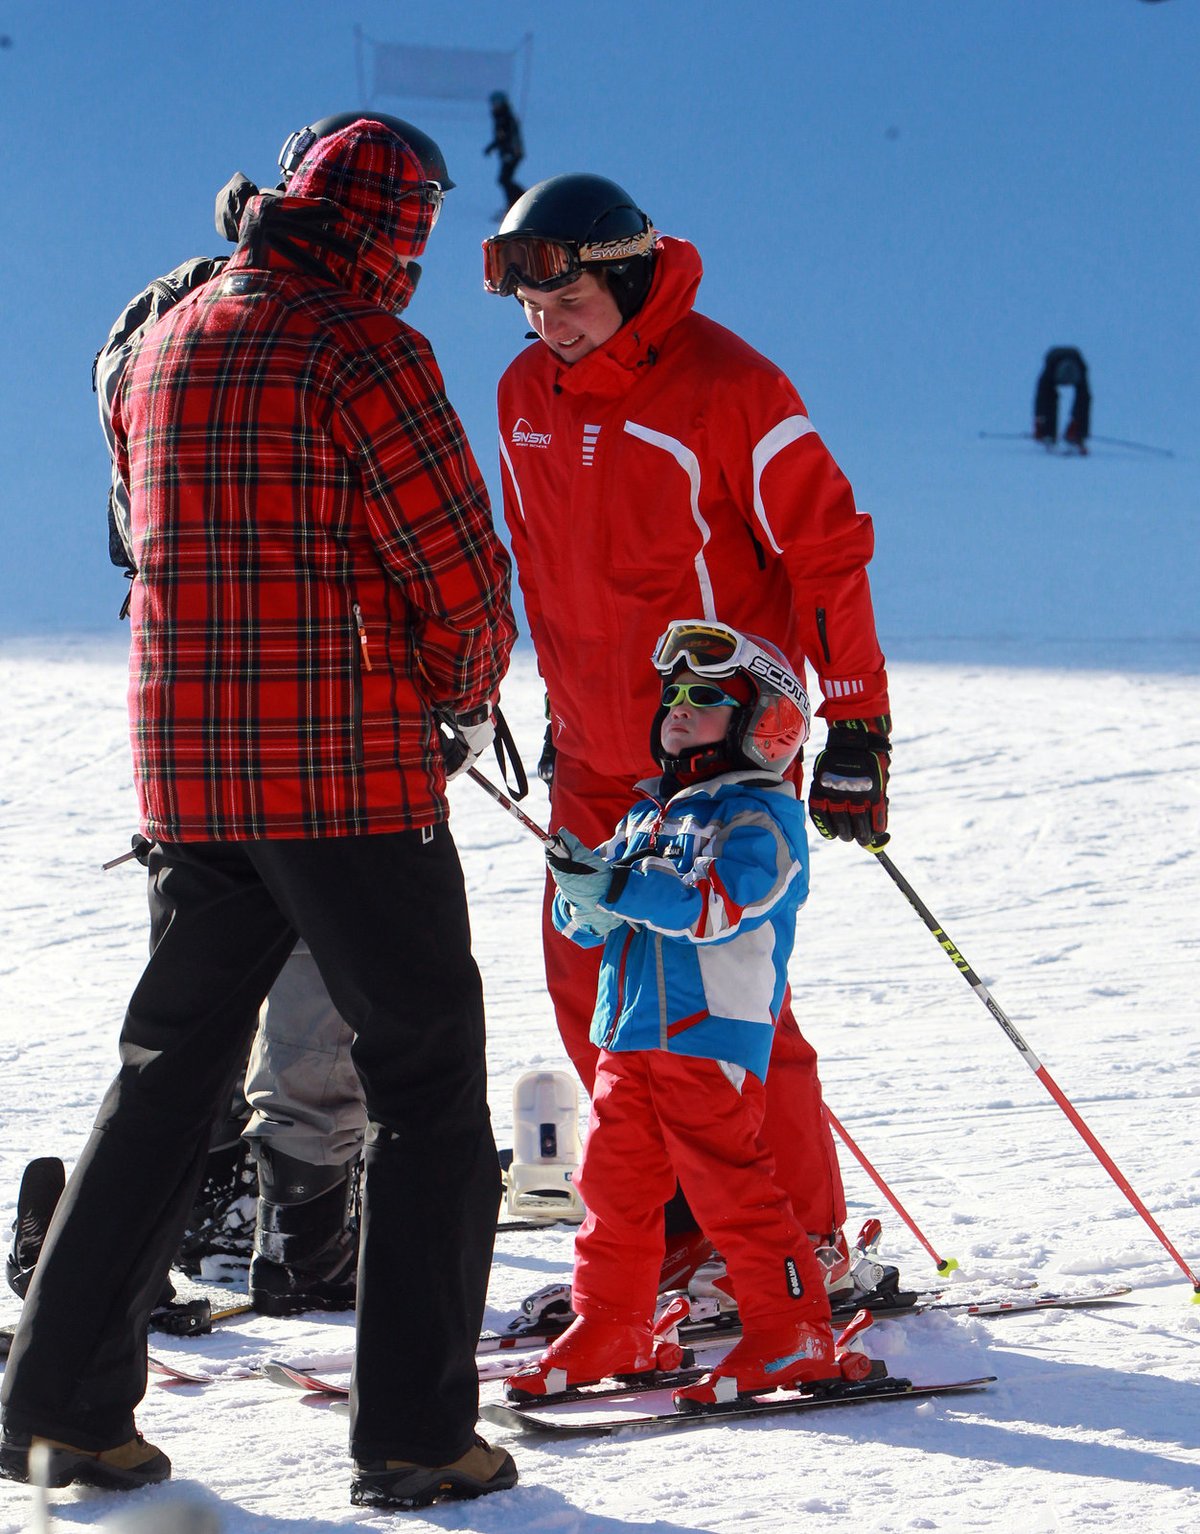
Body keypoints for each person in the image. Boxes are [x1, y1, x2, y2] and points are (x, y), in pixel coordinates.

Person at [0, 118, 518, 1510]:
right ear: (385, 235)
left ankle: (60, 1406)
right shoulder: (365, 351)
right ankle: (415, 1432)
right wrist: (459, 694)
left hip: (188, 770)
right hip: (344, 775)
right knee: (425, 1085)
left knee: (168, 1072)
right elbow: (460, 571)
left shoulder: (169, 337)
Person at [483, 173, 895, 1303]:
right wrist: (534, 706)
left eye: (567, 301)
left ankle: (796, 1243)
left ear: (624, 274)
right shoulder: (527, 390)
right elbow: (540, 570)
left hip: (718, 755)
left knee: (726, 1006)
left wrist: (857, 718)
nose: (545, 325)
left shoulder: (733, 387)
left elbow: (827, 551)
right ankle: (670, 1233)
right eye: (529, 305)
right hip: (595, 749)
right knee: (598, 991)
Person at [507, 622, 878, 1405]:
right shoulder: (651, 816)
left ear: (765, 723)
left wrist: (621, 890)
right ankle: (612, 1320)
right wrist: (585, 889)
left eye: (705, 697)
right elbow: (590, 926)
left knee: (727, 1188)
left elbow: (716, 908)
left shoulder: (761, 821)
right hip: (630, 1031)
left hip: (708, 1034)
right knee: (614, 1188)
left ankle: (792, 1329)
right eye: (672, 696)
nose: (679, 708)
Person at [483, 90, 525, 210]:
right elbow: (500, 138)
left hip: (512, 153)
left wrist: (509, 152)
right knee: (504, 179)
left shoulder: (505, 118)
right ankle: (515, 201)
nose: (494, 106)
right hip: (508, 153)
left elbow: (509, 137)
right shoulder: (500, 117)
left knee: (504, 179)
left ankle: (519, 200)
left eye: (496, 103)